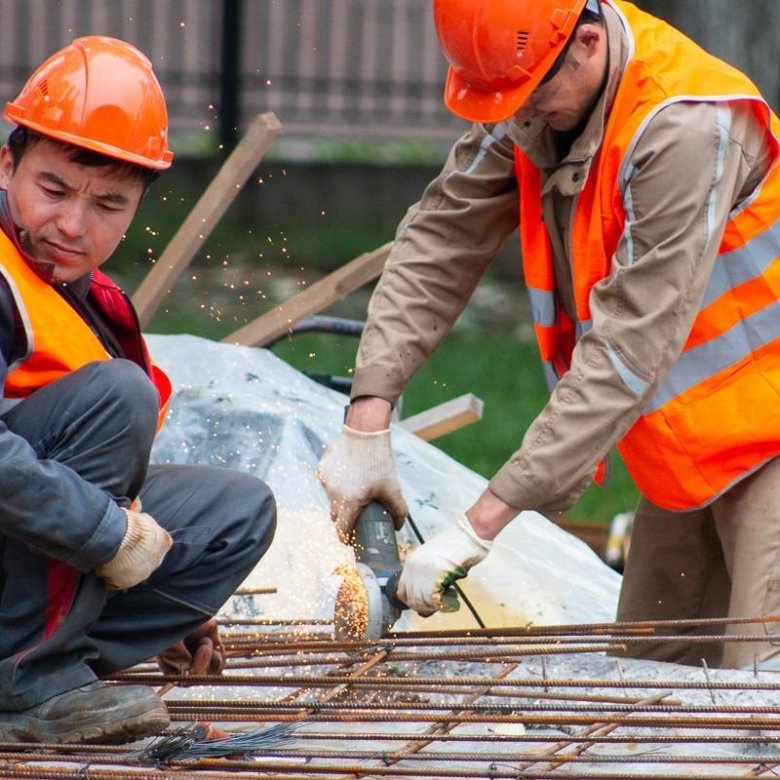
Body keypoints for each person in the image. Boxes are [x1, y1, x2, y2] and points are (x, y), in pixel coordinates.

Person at [318, 0, 780, 670]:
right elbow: (441, 236)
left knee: (758, 706)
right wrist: (368, 416)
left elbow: (628, 346)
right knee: (652, 681)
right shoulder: (535, 81)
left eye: (527, 98)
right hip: (694, 448)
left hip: (768, 439)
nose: (520, 116)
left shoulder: (683, 127)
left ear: (588, 43)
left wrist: (477, 528)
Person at [0, 36, 276, 744]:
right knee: (122, 396)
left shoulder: (76, 293)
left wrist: (157, 596)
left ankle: (63, 670)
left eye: (108, 206)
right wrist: (108, 536)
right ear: (7, 163)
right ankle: (26, 683)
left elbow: (84, 462)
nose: (73, 225)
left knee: (234, 514)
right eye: (53, 189)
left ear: (137, 208)